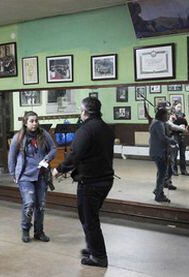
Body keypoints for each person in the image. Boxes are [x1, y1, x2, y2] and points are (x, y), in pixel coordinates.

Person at [52, 97, 114, 268]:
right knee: (91, 216)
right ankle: (92, 248)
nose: (81, 113)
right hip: (106, 180)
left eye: (81, 110)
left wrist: (59, 169)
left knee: (89, 219)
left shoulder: (86, 130)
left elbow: (75, 154)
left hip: (90, 182)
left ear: (85, 112)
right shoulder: (106, 128)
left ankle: (99, 257)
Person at [8, 111, 56, 243]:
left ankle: (39, 232)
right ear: (25, 122)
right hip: (25, 176)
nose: (34, 123)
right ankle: (25, 230)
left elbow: (53, 149)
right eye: (31, 121)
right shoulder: (18, 137)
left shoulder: (43, 134)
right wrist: (13, 174)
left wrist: (47, 158)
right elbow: (11, 157)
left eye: (36, 121)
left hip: (41, 176)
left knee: (40, 205)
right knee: (29, 204)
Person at [149, 108, 177, 203]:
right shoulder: (159, 124)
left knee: (161, 172)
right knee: (162, 174)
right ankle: (159, 194)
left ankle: (158, 190)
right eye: (167, 114)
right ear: (162, 115)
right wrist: (172, 140)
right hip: (159, 152)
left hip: (157, 151)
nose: (168, 116)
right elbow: (162, 137)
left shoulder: (156, 122)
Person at [170, 101, 189, 176]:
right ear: (174, 107)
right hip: (175, 135)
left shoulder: (183, 115)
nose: (180, 108)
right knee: (174, 154)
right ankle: (174, 170)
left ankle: (183, 170)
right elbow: (171, 126)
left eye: (180, 107)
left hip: (182, 135)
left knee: (183, 153)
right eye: (178, 107)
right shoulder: (171, 116)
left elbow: (186, 124)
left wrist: (186, 128)